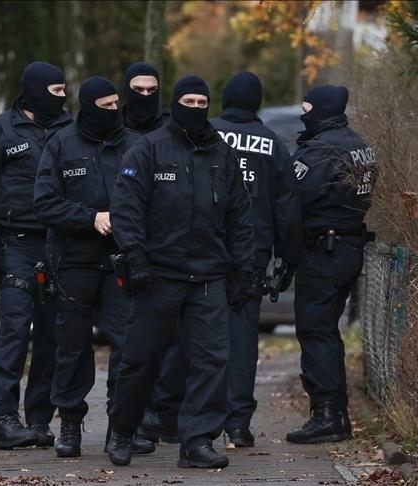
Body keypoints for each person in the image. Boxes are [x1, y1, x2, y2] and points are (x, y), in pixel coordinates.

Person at [104, 75, 255, 469]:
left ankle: (198, 441)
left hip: (208, 276)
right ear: (175, 104)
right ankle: (123, 430)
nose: (196, 108)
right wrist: (135, 257)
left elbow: (240, 217)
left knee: (211, 361)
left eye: (203, 102)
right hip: (158, 275)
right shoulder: (148, 150)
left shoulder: (222, 155)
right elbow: (126, 209)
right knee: (141, 359)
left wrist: (243, 269)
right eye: (189, 101)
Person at [33, 76, 154, 458]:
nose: (115, 111)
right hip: (74, 260)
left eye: (117, 104)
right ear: (88, 108)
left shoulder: (136, 145)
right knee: (71, 345)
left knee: (128, 344)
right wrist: (90, 218)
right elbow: (45, 203)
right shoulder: (61, 144)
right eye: (106, 106)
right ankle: (70, 423)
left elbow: (155, 199)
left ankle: (123, 427)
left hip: (122, 259)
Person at [0, 61, 72, 450]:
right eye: (57, 91)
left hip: (58, 245)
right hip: (15, 245)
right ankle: (5, 420)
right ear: (36, 91)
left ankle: (39, 418)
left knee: (51, 336)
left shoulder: (70, 131)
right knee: (14, 330)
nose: (63, 97)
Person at [210, 71, 303, 447]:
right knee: (243, 338)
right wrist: (288, 257)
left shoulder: (206, 133)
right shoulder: (272, 144)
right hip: (252, 253)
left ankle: (194, 419)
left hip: (204, 250)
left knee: (198, 335)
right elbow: (287, 206)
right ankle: (237, 423)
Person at [285, 85, 376, 444]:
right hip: (348, 246)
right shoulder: (359, 145)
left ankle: (327, 416)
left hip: (324, 250)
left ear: (321, 110)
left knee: (316, 331)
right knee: (326, 331)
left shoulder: (321, 150)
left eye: (306, 109)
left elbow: (291, 196)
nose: (302, 115)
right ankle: (335, 415)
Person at [120, 60, 185, 446]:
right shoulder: (112, 126)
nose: (145, 96)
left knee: (170, 343)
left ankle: (160, 415)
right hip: (120, 247)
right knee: (132, 345)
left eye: (151, 90)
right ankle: (124, 424)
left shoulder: (172, 130)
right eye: (138, 90)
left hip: (165, 251)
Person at [121, 61, 169, 134]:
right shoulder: (112, 124)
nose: (145, 94)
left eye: (152, 90)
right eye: (138, 89)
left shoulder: (171, 127)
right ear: (126, 89)